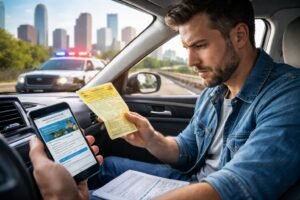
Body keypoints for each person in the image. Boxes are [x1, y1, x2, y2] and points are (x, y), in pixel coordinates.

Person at [29, 0, 300, 199]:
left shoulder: (290, 95)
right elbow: (188, 151)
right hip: (193, 179)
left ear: (239, 36)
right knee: (103, 166)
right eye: (186, 48)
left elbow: (237, 187)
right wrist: (151, 138)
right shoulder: (214, 91)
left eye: (200, 46)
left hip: (215, 192)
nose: (191, 61)